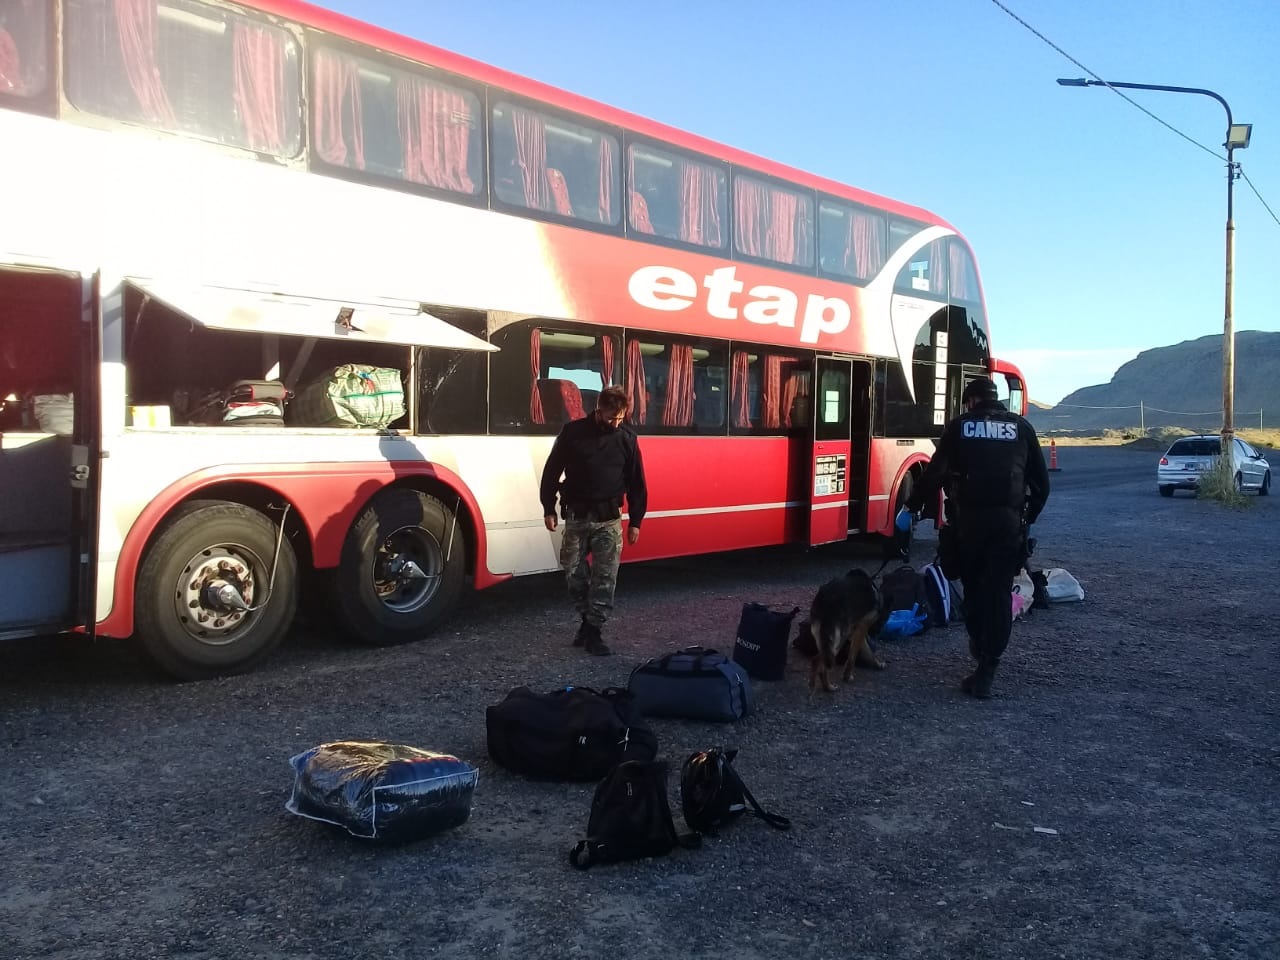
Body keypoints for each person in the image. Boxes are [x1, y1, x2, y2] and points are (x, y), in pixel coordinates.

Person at [904, 377, 1050, 699]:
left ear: (970, 401)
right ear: (997, 399)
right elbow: (1042, 485)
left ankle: (980, 649)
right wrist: (1025, 520)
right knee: (997, 594)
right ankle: (989, 664)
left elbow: (935, 475)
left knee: (972, 590)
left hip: (969, 527)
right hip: (1007, 527)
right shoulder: (1021, 428)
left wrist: (910, 509)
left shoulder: (959, 427)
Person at [540, 384, 647, 656]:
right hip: (577, 516)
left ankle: (594, 632)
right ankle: (587, 622)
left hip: (608, 519)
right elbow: (552, 471)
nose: (616, 422)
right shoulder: (573, 433)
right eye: (612, 417)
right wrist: (548, 508)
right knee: (573, 573)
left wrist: (636, 520)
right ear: (598, 409)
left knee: (605, 578)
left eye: (621, 417)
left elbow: (637, 482)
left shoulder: (627, 438)